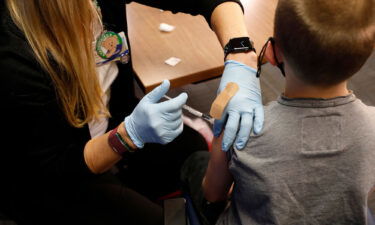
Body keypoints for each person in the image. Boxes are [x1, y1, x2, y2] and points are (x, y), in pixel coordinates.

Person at [0, 0, 265, 224]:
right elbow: (58, 167)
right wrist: (127, 136)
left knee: (190, 149)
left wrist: (240, 53)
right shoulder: (14, 58)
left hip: (110, 121)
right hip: (56, 179)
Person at [181, 0, 375, 224]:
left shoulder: (242, 128)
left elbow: (213, 194)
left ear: (272, 53)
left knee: (194, 162)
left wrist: (220, 139)